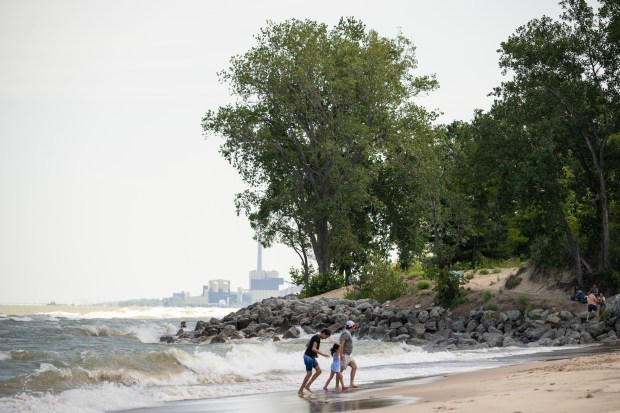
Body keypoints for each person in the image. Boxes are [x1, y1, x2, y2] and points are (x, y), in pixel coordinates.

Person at [299, 329, 331, 396]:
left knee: (319, 371)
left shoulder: (315, 336)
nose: (325, 338)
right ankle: (300, 390)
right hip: (308, 357)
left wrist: (314, 354)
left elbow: (307, 345)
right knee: (309, 374)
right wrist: (324, 354)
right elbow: (313, 348)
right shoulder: (317, 338)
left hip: (311, 356)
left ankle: (307, 386)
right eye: (326, 336)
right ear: (323, 333)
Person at [339, 320, 358, 389]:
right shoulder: (346, 333)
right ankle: (338, 386)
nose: (355, 327)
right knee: (340, 370)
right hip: (345, 354)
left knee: (354, 367)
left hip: (349, 354)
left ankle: (351, 384)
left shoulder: (348, 333)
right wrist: (341, 354)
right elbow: (341, 344)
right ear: (352, 326)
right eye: (354, 326)